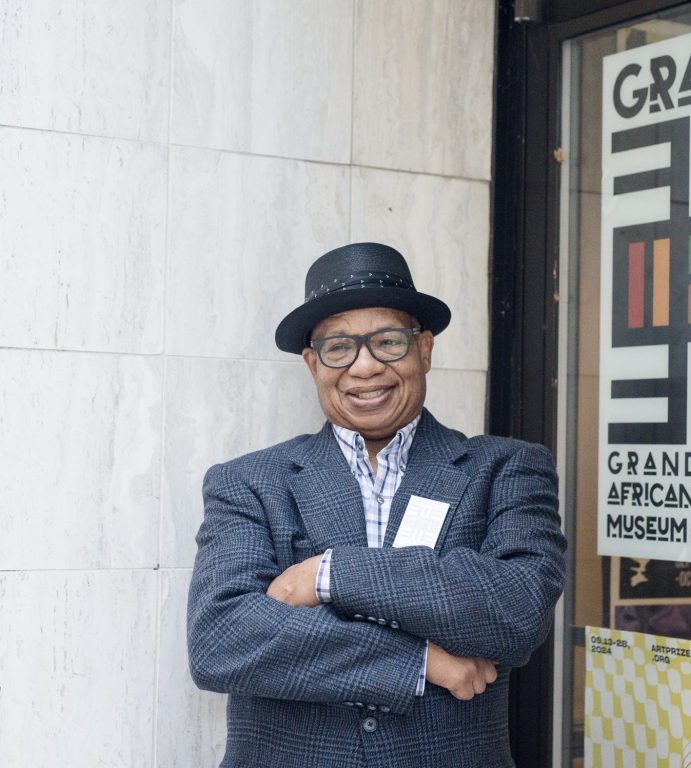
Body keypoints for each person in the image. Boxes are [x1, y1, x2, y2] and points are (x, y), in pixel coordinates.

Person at [187, 242, 567, 768]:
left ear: (424, 349)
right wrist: (420, 661)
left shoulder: (505, 469)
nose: (364, 368)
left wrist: (329, 575)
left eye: (388, 341)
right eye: (339, 348)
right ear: (312, 362)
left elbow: (517, 611)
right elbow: (222, 642)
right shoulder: (249, 482)